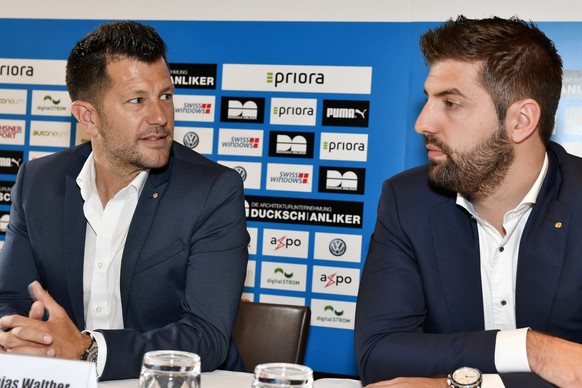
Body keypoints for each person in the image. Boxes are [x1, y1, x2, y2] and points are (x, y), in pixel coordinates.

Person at [0, 21, 249, 381]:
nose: (160, 117)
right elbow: (11, 298)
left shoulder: (213, 190)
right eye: (137, 100)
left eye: (165, 95)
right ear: (88, 117)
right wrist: (32, 338)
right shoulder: (37, 182)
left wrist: (89, 350)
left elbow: (206, 335)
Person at [355, 16, 582, 388]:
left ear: (520, 121)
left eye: (451, 103)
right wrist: (529, 348)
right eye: (428, 99)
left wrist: (456, 384)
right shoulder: (406, 201)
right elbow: (379, 355)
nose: (423, 122)